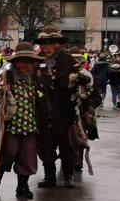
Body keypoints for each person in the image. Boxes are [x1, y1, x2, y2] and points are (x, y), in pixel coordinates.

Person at [0, 42, 47, 199]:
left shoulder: (35, 78)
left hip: (30, 124)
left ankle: (23, 187)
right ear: (16, 62)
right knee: (8, 153)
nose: (28, 65)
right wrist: (0, 93)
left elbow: (41, 98)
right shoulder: (6, 76)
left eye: (31, 61)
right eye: (24, 61)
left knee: (28, 157)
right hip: (11, 125)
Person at [36, 27, 86, 188]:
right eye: (44, 43)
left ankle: (68, 175)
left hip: (64, 112)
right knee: (46, 147)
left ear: (59, 44)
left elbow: (80, 86)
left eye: (52, 43)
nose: (48, 47)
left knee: (67, 146)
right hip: (43, 112)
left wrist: (80, 80)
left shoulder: (69, 61)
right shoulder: (36, 61)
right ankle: (49, 176)